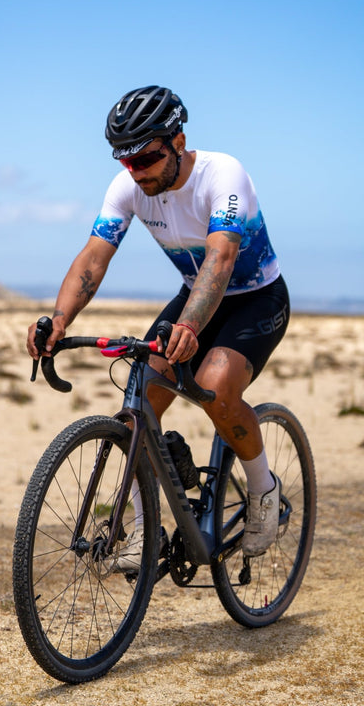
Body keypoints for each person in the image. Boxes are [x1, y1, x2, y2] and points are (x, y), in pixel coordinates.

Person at [27, 85, 290, 559]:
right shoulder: (128, 188)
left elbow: (222, 257)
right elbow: (92, 259)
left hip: (255, 298)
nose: (137, 171)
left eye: (146, 157)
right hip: (194, 297)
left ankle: (262, 490)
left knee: (216, 387)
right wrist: (60, 319)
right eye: (126, 163)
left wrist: (189, 328)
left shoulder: (222, 174)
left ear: (179, 141)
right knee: (141, 398)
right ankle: (143, 528)